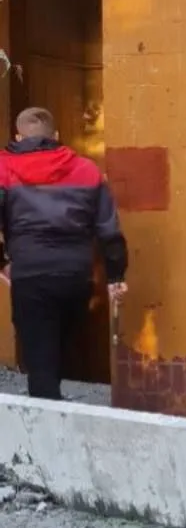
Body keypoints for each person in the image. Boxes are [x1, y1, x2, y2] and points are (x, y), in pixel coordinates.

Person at [0, 107, 128, 400]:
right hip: (76, 275)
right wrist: (116, 276)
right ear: (56, 136)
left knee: (39, 357)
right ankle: (61, 409)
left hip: (30, 274)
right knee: (64, 349)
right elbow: (109, 229)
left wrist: (3, 264)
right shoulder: (87, 170)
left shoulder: (4, 169)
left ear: (18, 136)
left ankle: (46, 427)